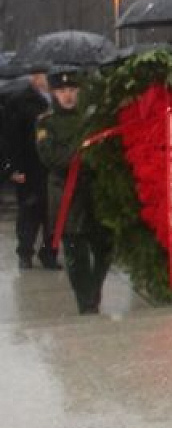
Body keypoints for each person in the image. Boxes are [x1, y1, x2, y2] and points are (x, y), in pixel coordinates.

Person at [36, 68, 111, 313]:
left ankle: (94, 288)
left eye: (72, 90)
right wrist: (81, 155)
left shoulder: (91, 118)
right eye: (61, 91)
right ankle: (85, 301)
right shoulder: (46, 122)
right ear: (53, 93)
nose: (67, 96)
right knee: (75, 251)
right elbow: (51, 157)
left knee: (104, 246)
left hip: (94, 190)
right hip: (65, 194)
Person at [2, 63, 58, 269]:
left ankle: (50, 252)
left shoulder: (56, 99)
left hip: (52, 167)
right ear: (35, 78)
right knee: (29, 211)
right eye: (44, 76)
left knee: (52, 213)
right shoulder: (20, 101)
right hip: (29, 166)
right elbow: (10, 139)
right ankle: (25, 252)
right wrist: (13, 168)